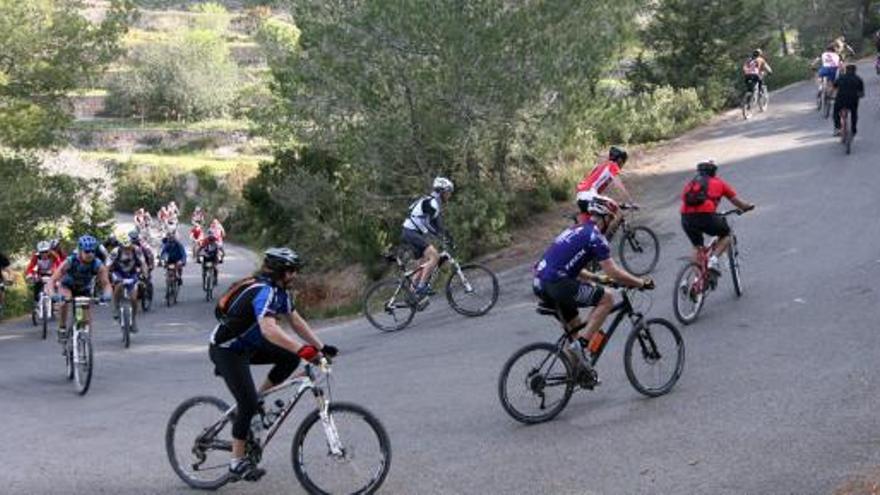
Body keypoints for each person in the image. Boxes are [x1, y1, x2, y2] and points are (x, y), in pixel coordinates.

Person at [208, 247, 338, 481]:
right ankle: (236, 463)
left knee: (288, 359)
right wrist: (303, 349)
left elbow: (296, 322)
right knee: (246, 404)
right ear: (280, 271)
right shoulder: (263, 291)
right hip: (227, 349)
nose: (295, 275)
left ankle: (258, 399)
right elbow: (269, 329)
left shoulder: (280, 292)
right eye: (291, 270)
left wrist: (320, 347)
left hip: (248, 345)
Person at [533, 199, 654, 384]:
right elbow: (613, 271)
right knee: (607, 299)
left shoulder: (575, 229)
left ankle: (579, 373)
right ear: (604, 218)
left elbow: (567, 264)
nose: (612, 224)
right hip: (557, 283)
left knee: (575, 327)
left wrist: (596, 279)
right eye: (611, 220)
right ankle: (580, 346)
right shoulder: (595, 237)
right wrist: (640, 283)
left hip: (541, 283)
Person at [680, 160, 755, 275]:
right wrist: (747, 207)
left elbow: (684, 199)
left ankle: (696, 281)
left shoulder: (691, 184)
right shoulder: (719, 183)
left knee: (697, 246)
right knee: (726, 234)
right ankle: (713, 260)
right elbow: (737, 202)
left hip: (686, 217)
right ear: (714, 171)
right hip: (705, 216)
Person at [401, 176, 455, 301]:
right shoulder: (432, 203)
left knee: (423, 264)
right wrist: (441, 237)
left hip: (411, 232)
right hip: (412, 232)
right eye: (448, 192)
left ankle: (412, 295)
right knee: (435, 256)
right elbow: (429, 224)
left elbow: (438, 224)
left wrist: (446, 235)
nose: (449, 195)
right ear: (441, 191)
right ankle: (421, 286)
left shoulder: (433, 202)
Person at [46, 235, 112, 337]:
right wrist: (53, 295)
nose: (90, 254)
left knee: (87, 319)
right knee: (65, 301)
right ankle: (62, 328)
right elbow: (52, 280)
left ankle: (86, 342)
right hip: (67, 286)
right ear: (80, 251)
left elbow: (106, 283)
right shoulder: (70, 261)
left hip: (84, 288)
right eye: (86, 251)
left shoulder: (98, 265)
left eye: (92, 251)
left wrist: (107, 295)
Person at [575, 146, 634, 231]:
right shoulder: (612, 165)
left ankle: (591, 239)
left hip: (582, 196)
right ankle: (600, 240)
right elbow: (619, 185)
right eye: (623, 162)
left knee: (593, 222)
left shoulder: (601, 166)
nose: (622, 165)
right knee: (613, 208)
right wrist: (630, 201)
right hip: (587, 195)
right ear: (620, 160)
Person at [108, 237, 149, 332]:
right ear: (121, 246)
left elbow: (143, 263)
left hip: (132, 273)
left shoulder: (137, 250)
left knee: (134, 298)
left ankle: (133, 320)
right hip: (118, 272)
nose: (127, 250)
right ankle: (115, 306)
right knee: (118, 285)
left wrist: (145, 275)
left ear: (131, 245)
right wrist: (106, 276)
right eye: (124, 248)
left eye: (129, 247)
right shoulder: (116, 251)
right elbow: (107, 264)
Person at [832, 64, 865, 137]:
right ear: (855, 71)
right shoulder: (858, 79)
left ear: (846, 70)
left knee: (835, 112)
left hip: (840, 100)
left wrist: (833, 95)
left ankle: (838, 127)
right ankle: (853, 129)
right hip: (853, 101)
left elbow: (834, 87)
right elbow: (862, 93)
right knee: (854, 113)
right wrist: (858, 95)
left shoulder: (840, 78)